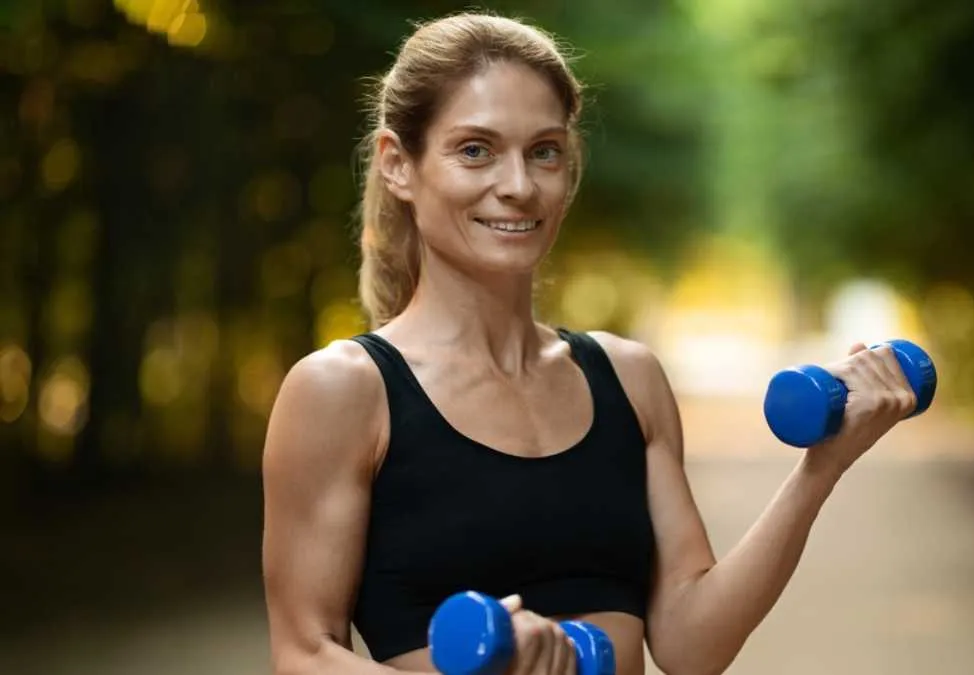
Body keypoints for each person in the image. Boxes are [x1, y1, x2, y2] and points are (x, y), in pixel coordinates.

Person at [261, 11, 919, 675]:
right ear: (399, 165)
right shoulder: (344, 390)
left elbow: (694, 645)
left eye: (544, 150)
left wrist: (820, 468)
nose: (518, 185)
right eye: (475, 150)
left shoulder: (628, 378)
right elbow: (303, 652)